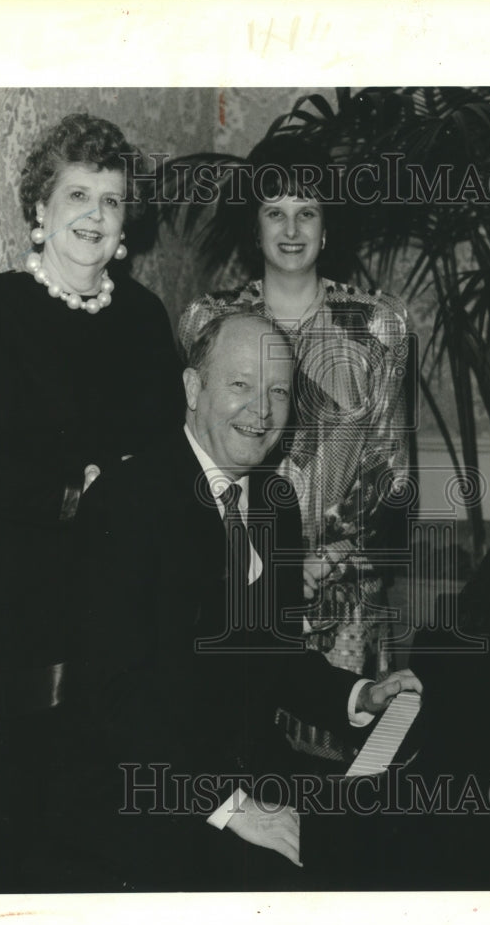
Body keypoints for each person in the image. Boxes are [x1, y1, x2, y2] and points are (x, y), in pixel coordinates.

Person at [72, 310, 423, 891]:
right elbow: (115, 699)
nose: (261, 411)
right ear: (193, 387)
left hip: (254, 778)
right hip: (151, 802)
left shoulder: (273, 503)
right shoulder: (126, 502)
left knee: (394, 846)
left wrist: (359, 693)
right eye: (240, 385)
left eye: (277, 392)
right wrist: (232, 806)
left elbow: (273, 655)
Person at [0, 112, 184, 892]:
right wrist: (81, 489)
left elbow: (166, 452)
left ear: (124, 226)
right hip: (34, 583)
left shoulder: (145, 318)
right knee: (39, 763)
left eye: (111, 202)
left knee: (121, 764)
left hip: (133, 580)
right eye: (76, 194)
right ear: (38, 211)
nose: (94, 215)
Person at [178, 138, 411, 762]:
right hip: (238, 585)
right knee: (236, 758)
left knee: (336, 768)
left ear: (327, 226)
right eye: (274, 212)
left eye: (305, 211)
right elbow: (196, 461)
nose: (290, 228)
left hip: (345, 595)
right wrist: (274, 564)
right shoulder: (210, 321)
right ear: (254, 227)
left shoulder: (377, 324)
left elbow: (391, 470)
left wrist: (329, 561)